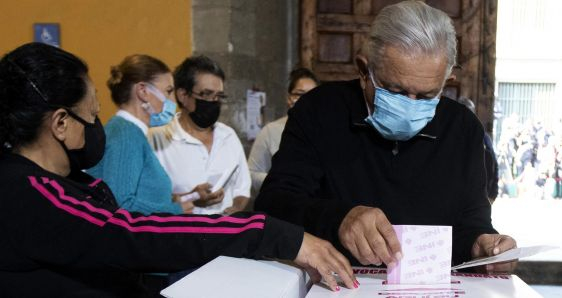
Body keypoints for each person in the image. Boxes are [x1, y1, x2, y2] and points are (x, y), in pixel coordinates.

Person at [0, 42, 358, 296]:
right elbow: (127, 232)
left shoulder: (60, 181)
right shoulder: (25, 190)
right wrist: (269, 232)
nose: (98, 126)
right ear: (61, 123)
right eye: (92, 116)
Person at [255, 1, 517, 273]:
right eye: (395, 91)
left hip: (429, 288)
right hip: (336, 284)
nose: (411, 105)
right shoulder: (318, 111)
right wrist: (339, 218)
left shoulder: (462, 128)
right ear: (364, 71)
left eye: (427, 95)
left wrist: (483, 245)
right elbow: (273, 206)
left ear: (446, 81)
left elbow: (471, 223)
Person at [88, 54, 189, 214]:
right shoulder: (126, 134)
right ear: (143, 91)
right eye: (168, 91)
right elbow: (121, 204)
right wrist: (176, 210)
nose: (174, 102)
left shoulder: (128, 131)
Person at [149, 56, 249, 215]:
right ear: (183, 95)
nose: (213, 102)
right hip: (181, 234)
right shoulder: (157, 140)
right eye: (206, 94)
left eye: (218, 96)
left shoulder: (228, 136)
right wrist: (191, 198)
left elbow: (242, 188)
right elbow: (149, 199)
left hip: (226, 234)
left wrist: (235, 209)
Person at [248, 68, 319, 194]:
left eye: (312, 95)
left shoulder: (323, 134)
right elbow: (252, 173)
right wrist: (280, 182)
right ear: (289, 97)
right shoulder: (270, 131)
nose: (306, 100)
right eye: (299, 94)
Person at [456, 96, 499, 203]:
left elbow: (494, 165)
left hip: (479, 196)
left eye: (469, 114)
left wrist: (493, 193)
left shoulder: (483, 137)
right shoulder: (449, 137)